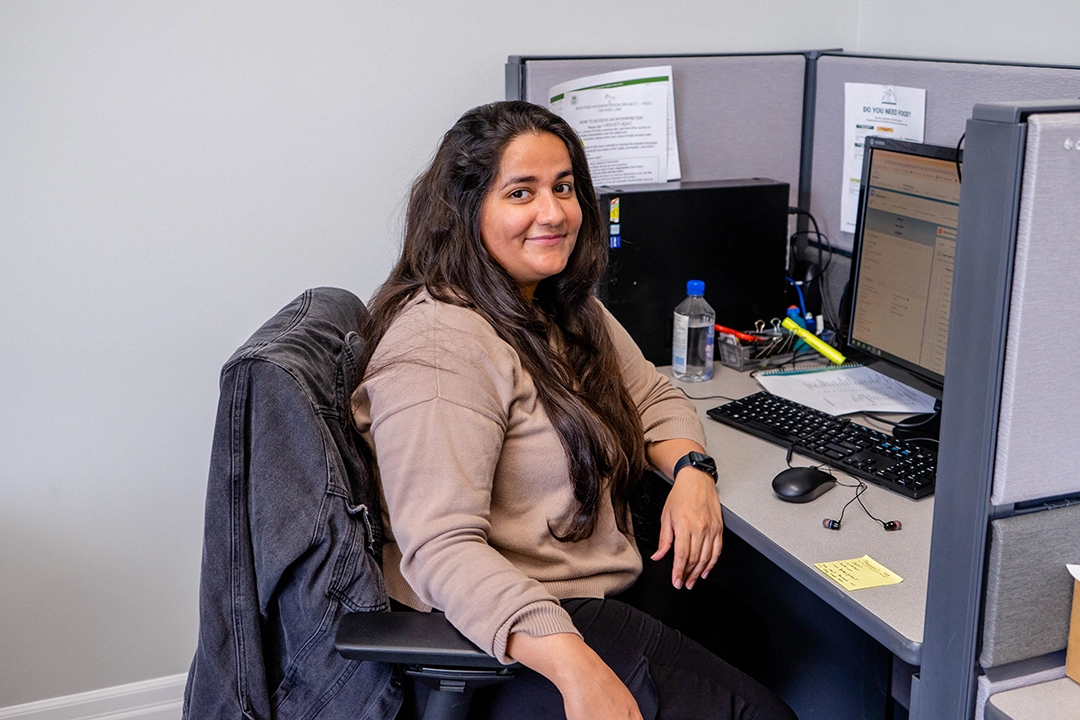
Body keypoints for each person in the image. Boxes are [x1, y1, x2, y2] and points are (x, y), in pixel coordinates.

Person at [351, 100, 796, 720]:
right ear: (463, 210)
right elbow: (441, 548)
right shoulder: (441, 348)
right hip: (521, 616)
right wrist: (576, 666)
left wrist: (693, 472)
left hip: (589, 578)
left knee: (746, 634)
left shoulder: (558, 305)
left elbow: (652, 395)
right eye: (521, 193)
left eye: (563, 187)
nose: (554, 212)